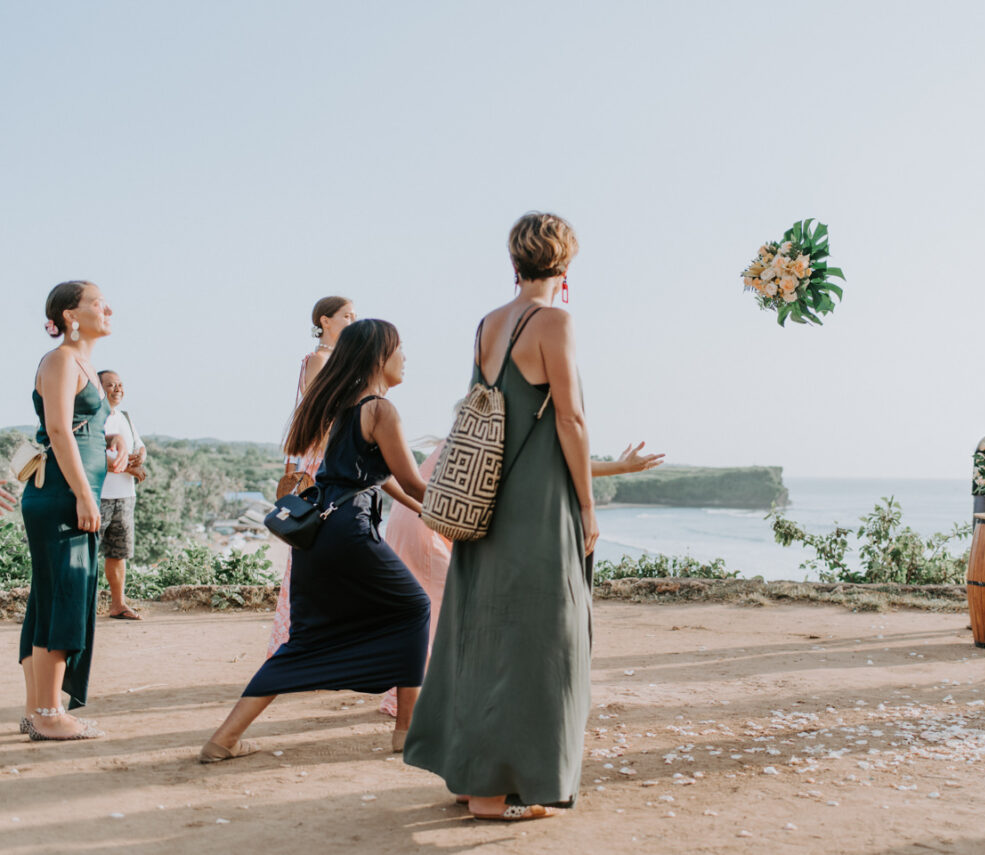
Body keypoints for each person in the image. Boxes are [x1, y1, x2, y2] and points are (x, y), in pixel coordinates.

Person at [403, 212, 599, 821]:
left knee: (481, 629)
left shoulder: (488, 323)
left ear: (514, 263)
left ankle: (472, 778)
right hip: (535, 503)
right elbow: (570, 419)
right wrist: (587, 505)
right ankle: (495, 793)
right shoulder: (555, 322)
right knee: (540, 635)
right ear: (566, 265)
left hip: (484, 499)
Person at [201, 319, 431, 762]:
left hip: (317, 531)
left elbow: (376, 478)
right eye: (399, 348)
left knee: (305, 638)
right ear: (379, 357)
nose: (405, 358)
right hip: (349, 531)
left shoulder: (343, 406)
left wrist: (420, 510)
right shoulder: (381, 409)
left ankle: (223, 740)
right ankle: (407, 730)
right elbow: (412, 481)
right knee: (414, 607)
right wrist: (472, 510)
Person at [377, 439, 663, 718]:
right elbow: (557, 465)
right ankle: (410, 702)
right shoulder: (496, 434)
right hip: (425, 522)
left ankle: (427, 695)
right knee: (445, 614)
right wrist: (620, 467)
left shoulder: (477, 432)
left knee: (436, 614)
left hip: (416, 516)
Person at [20, 280, 127, 740]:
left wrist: (113, 441)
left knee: (49, 597)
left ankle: (36, 711)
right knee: (63, 595)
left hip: (69, 493)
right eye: (98, 303)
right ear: (70, 315)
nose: (109, 310)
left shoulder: (84, 366)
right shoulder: (61, 359)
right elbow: (59, 430)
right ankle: (49, 714)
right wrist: (85, 494)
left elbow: (83, 429)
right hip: (62, 496)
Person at [267, 296, 357, 657]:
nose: (353, 320)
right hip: (325, 456)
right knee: (318, 542)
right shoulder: (320, 360)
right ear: (325, 320)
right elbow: (322, 414)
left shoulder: (338, 359)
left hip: (333, 453)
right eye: (346, 315)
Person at [97, 370, 147, 620]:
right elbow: (90, 456)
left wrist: (140, 458)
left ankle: (118, 604)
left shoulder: (125, 417)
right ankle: (81, 606)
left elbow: (139, 445)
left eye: (120, 384)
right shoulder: (91, 419)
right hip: (97, 496)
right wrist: (129, 467)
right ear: (98, 389)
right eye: (110, 385)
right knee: (86, 555)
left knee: (118, 554)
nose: (117, 389)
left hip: (125, 496)